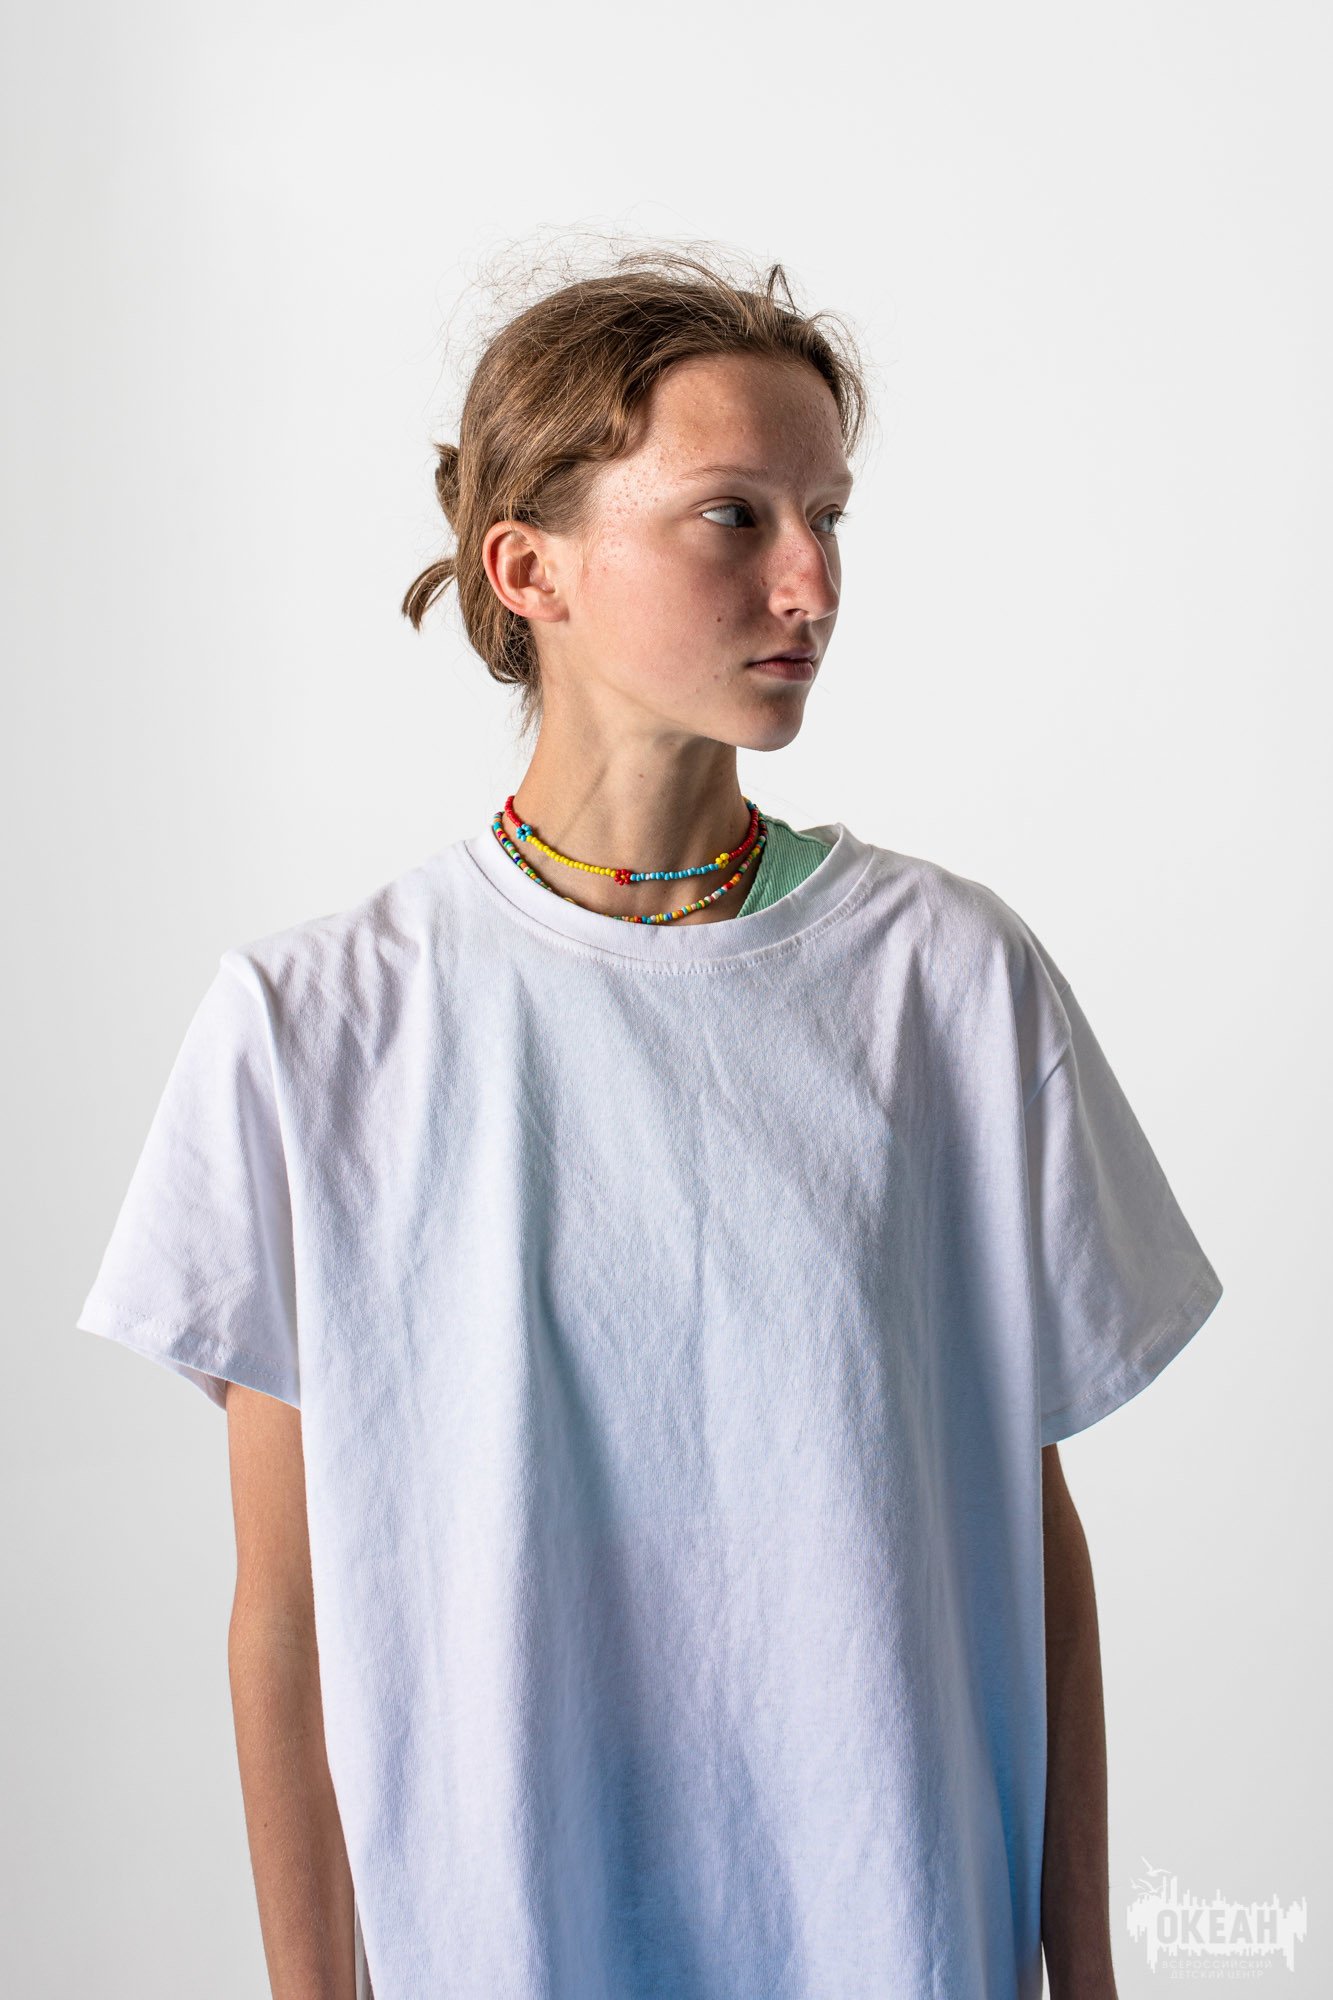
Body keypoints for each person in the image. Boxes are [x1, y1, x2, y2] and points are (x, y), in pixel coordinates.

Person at [75, 245, 1223, 2000]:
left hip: (897, 1933)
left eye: (827, 517)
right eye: (733, 516)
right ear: (525, 565)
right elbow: (288, 1618)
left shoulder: (943, 984)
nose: (809, 580)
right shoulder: (315, 1032)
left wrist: (1088, 1973)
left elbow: (1023, 1530)